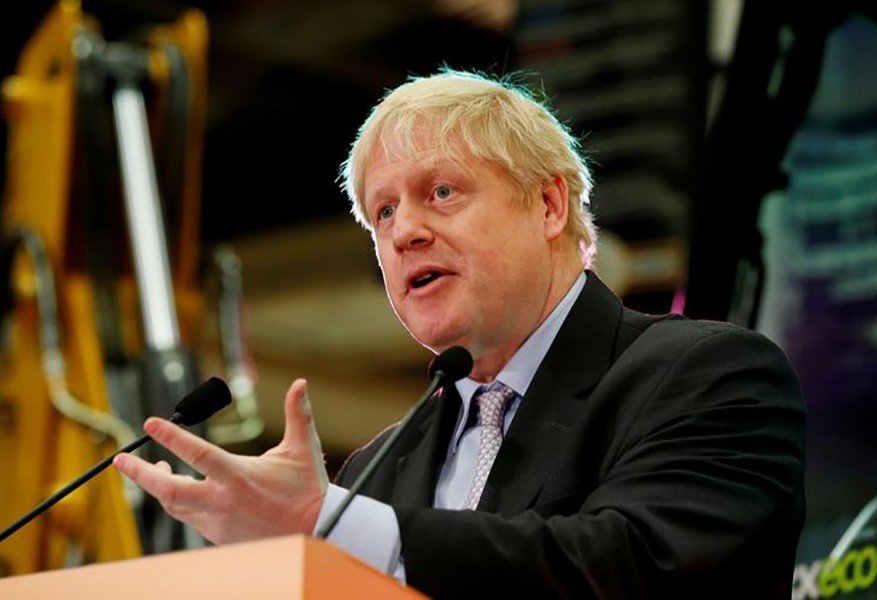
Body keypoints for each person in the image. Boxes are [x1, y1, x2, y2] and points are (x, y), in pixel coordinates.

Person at [113, 68, 806, 598]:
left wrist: (330, 527)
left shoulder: (709, 377)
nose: (405, 231)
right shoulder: (376, 470)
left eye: (441, 192)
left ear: (548, 204)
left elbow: (632, 568)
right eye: (382, 213)